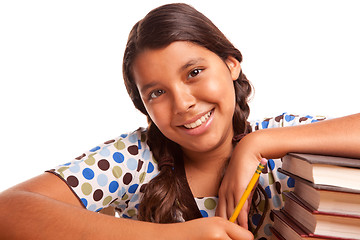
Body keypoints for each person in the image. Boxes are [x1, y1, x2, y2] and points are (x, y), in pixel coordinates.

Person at [0, 3, 359, 240]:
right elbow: (9, 209)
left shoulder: (282, 139)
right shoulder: (136, 158)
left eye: (195, 72)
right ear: (143, 106)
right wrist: (176, 237)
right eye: (156, 93)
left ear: (232, 64)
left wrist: (255, 145)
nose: (183, 103)